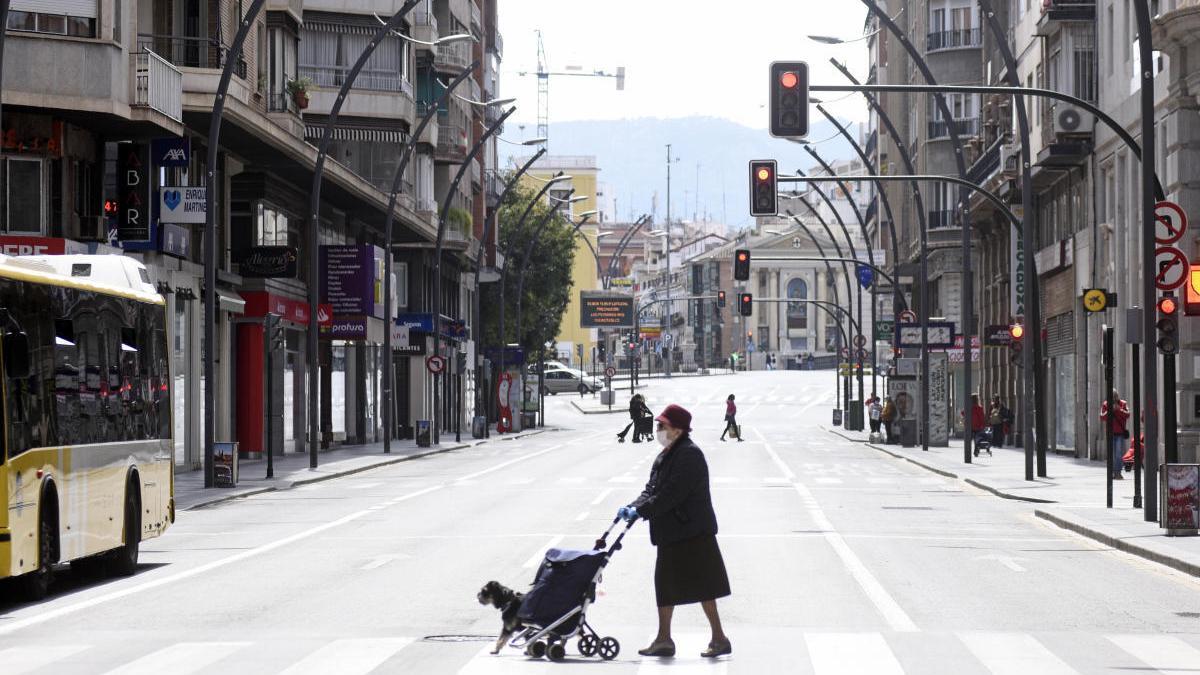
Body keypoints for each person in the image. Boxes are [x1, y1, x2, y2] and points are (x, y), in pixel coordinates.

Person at [616, 404, 732, 659]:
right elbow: (652, 489)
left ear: (678, 430)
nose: (658, 430)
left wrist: (643, 511)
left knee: (704, 586)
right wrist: (633, 506)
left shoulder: (690, 455)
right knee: (665, 585)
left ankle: (719, 637)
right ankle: (664, 639)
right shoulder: (666, 455)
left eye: (662, 426)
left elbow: (672, 494)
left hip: (693, 531)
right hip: (673, 532)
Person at [1100, 390, 1130, 480]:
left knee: (1118, 453)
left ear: (1117, 396)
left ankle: (1118, 472)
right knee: (1111, 454)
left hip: (1120, 433)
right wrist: (1110, 410)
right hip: (1110, 433)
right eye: (1112, 396)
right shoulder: (1105, 404)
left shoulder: (1123, 403)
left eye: (1115, 396)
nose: (1113, 398)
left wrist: (1119, 409)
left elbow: (1127, 414)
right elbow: (1102, 416)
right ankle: (1113, 472)